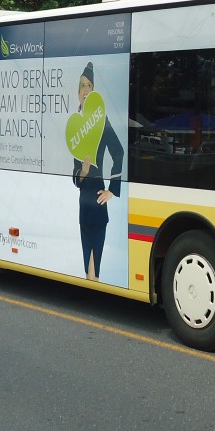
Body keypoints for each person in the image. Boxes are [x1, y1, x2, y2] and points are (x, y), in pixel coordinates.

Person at [72, 62, 124, 282]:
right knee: (87, 263)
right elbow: (75, 175)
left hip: (98, 200)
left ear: (93, 91)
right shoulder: (75, 125)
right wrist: (82, 172)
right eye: (82, 85)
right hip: (84, 202)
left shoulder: (102, 122)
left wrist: (112, 189)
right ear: (78, 92)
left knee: (95, 263)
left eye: (89, 85)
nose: (85, 89)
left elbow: (119, 152)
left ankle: (94, 288)